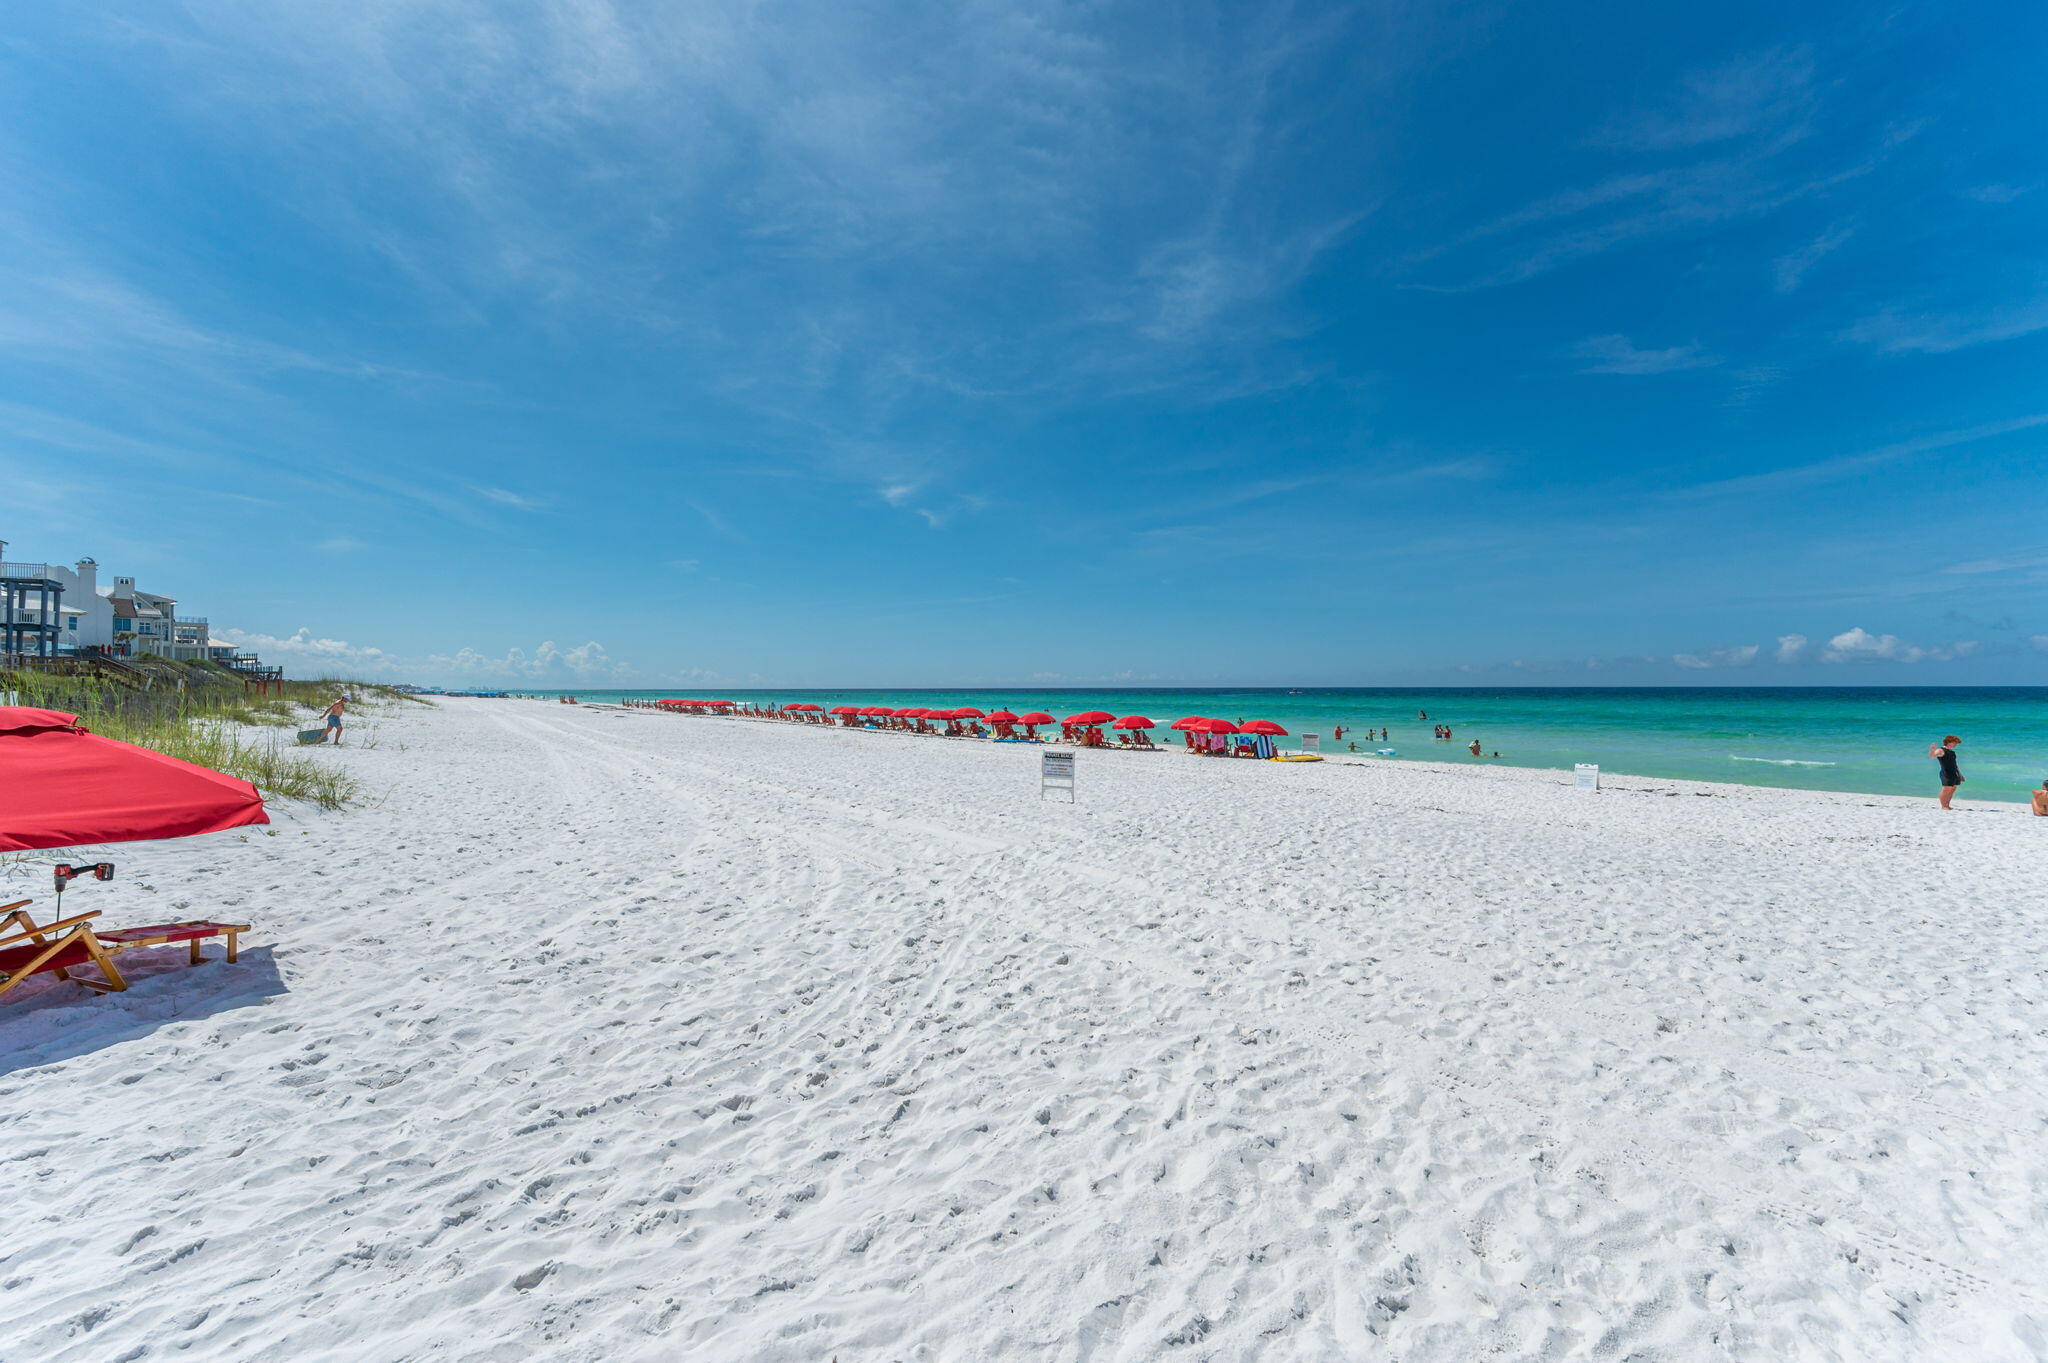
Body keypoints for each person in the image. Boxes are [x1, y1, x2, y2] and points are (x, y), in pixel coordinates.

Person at [1928, 735, 1963, 809]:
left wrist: (1960, 775)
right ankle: (1944, 806)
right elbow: (1932, 756)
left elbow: (1955, 764)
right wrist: (1932, 749)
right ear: (1949, 742)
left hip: (1954, 773)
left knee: (1953, 789)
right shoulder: (1941, 750)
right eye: (1955, 743)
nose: (1956, 744)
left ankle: (1947, 805)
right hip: (1946, 773)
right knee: (1946, 790)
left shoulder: (1952, 752)